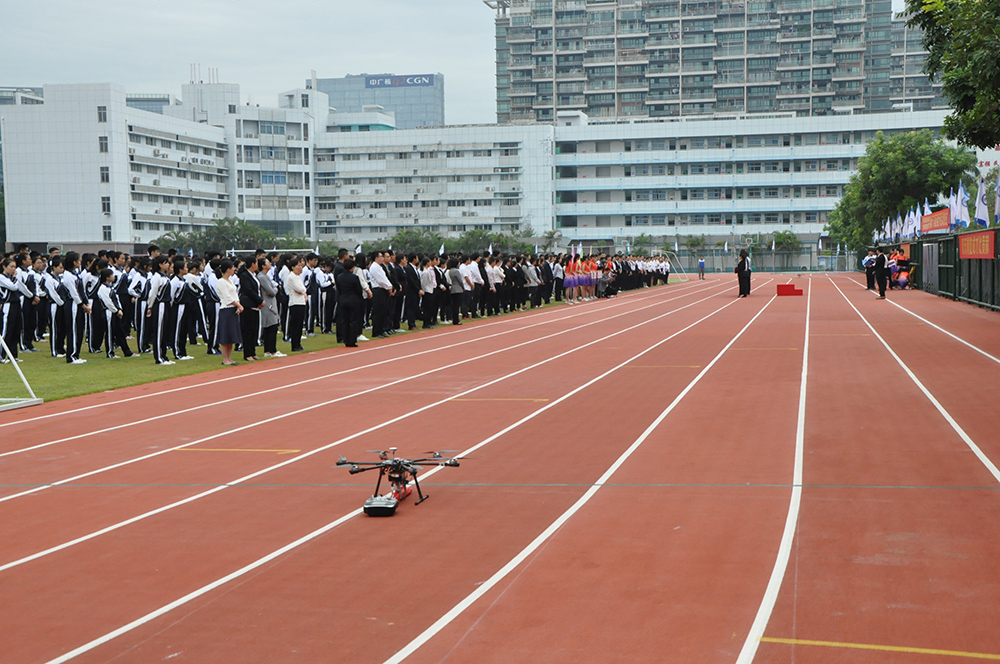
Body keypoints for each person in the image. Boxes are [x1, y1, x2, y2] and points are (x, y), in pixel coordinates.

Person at [214, 259, 243, 365]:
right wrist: (238, 305)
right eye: (232, 268)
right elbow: (227, 297)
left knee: (231, 335)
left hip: (233, 309)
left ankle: (230, 358)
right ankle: (225, 359)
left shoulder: (230, 281)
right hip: (226, 309)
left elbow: (235, 294)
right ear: (228, 269)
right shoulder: (221, 281)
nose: (234, 270)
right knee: (225, 335)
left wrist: (238, 305)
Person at [256, 257, 284, 358]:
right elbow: (272, 292)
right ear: (263, 266)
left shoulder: (265, 276)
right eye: (267, 262)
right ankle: (272, 351)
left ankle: (268, 350)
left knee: (269, 328)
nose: (270, 264)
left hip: (269, 304)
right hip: (268, 305)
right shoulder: (262, 277)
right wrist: (276, 289)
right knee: (271, 327)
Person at [237, 258, 264, 361]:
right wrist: (260, 300)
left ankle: (253, 351)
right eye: (256, 263)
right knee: (247, 330)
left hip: (255, 306)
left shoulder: (254, 275)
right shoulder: (244, 276)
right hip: (248, 305)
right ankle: (247, 353)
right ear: (252, 264)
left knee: (254, 329)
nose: (257, 265)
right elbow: (248, 290)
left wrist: (259, 302)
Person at [335, 257, 364, 347]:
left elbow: (338, 289)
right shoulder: (354, 277)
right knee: (354, 320)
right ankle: (352, 340)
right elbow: (358, 290)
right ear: (352, 267)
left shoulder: (339, 277)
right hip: (353, 300)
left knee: (344, 320)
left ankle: (345, 339)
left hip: (343, 300)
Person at [284, 257, 308, 352]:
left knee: (299, 325)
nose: (300, 267)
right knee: (295, 325)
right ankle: (295, 345)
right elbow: (300, 289)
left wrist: (303, 291)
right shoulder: (291, 277)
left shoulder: (298, 277)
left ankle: (298, 344)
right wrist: (303, 291)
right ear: (293, 267)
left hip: (301, 302)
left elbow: (303, 289)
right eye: (298, 265)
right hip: (295, 303)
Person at [446, 257, 464, 325]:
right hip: (458, 289)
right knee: (457, 305)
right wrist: (463, 287)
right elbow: (460, 280)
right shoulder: (456, 271)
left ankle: (454, 319)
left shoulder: (449, 271)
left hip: (452, 289)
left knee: (454, 305)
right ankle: (456, 320)